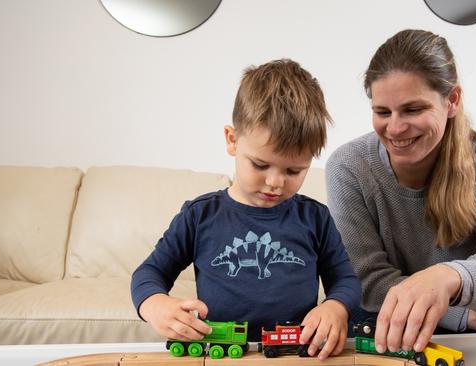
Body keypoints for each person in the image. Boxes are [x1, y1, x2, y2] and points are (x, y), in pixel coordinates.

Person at [325, 29, 476, 355]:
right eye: (382, 112)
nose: (396, 128)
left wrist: (449, 277)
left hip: (471, 339)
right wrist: (469, 316)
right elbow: (367, 284)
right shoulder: (348, 167)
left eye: (413, 110)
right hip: (388, 329)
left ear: (452, 100)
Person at [131, 59, 361, 360]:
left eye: (294, 170)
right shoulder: (198, 216)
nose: (275, 182)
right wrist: (155, 304)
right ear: (232, 140)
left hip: (294, 352)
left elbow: (346, 280)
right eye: (261, 164)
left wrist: (336, 307)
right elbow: (149, 272)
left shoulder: (315, 218)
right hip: (220, 353)